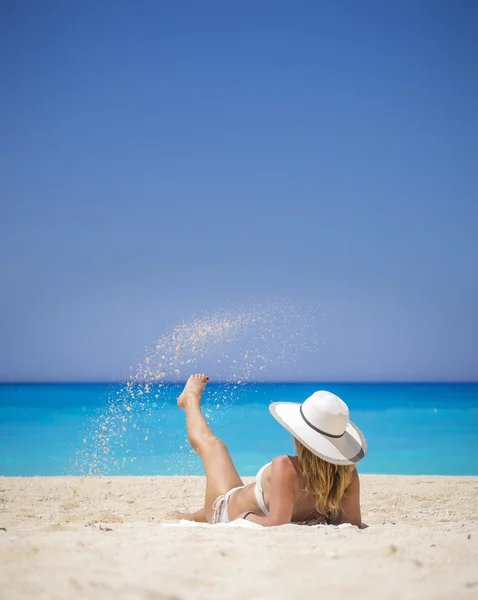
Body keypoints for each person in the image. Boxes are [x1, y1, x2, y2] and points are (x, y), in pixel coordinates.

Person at [175, 373, 367, 527]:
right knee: (234, 491)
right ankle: (191, 516)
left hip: (224, 510)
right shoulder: (346, 475)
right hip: (239, 496)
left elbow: (277, 524)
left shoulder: (285, 467)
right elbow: (351, 523)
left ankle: (190, 399)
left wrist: (246, 517)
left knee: (213, 446)